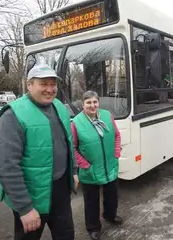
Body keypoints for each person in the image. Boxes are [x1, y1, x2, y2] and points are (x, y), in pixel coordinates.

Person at [0, 63, 79, 240]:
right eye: (43, 84)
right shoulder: (13, 115)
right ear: (29, 85)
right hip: (32, 196)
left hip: (61, 191)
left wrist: (74, 171)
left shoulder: (59, 108)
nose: (50, 89)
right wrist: (25, 208)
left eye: (53, 84)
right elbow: (7, 166)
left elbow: (67, 143)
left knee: (66, 235)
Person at [71, 91, 122, 240]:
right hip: (90, 170)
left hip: (110, 165)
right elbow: (72, 148)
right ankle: (93, 227)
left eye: (95, 102)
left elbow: (117, 135)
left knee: (112, 195)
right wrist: (85, 165)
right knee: (91, 201)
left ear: (98, 102)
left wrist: (116, 153)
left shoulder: (107, 115)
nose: (92, 105)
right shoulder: (76, 123)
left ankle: (110, 215)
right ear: (83, 104)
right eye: (89, 103)